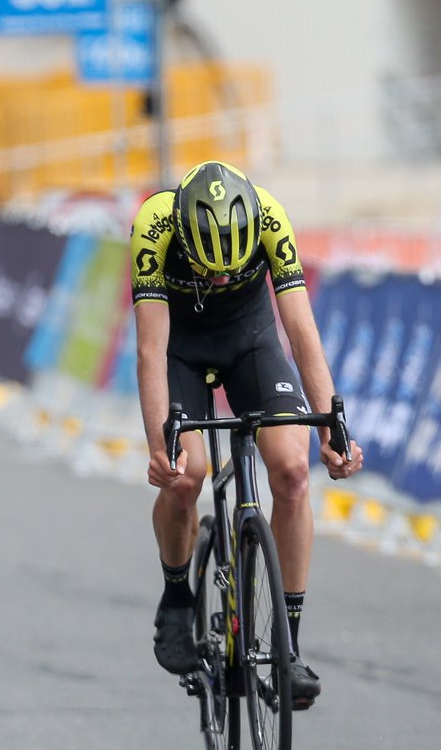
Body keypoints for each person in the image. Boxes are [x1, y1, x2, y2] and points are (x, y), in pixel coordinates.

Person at [130, 160, 364, 710]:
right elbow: (149, 350)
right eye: (207, 270)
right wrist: (158, 447)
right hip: (179, 346)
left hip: (248, 338)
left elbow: (302, 333)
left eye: (227, 271)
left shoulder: (270, 217)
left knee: (293, 471)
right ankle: (176, 597)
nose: (216, 279)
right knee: (186, 478)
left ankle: (289, 648)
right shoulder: (156, 223)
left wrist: (334, 424)